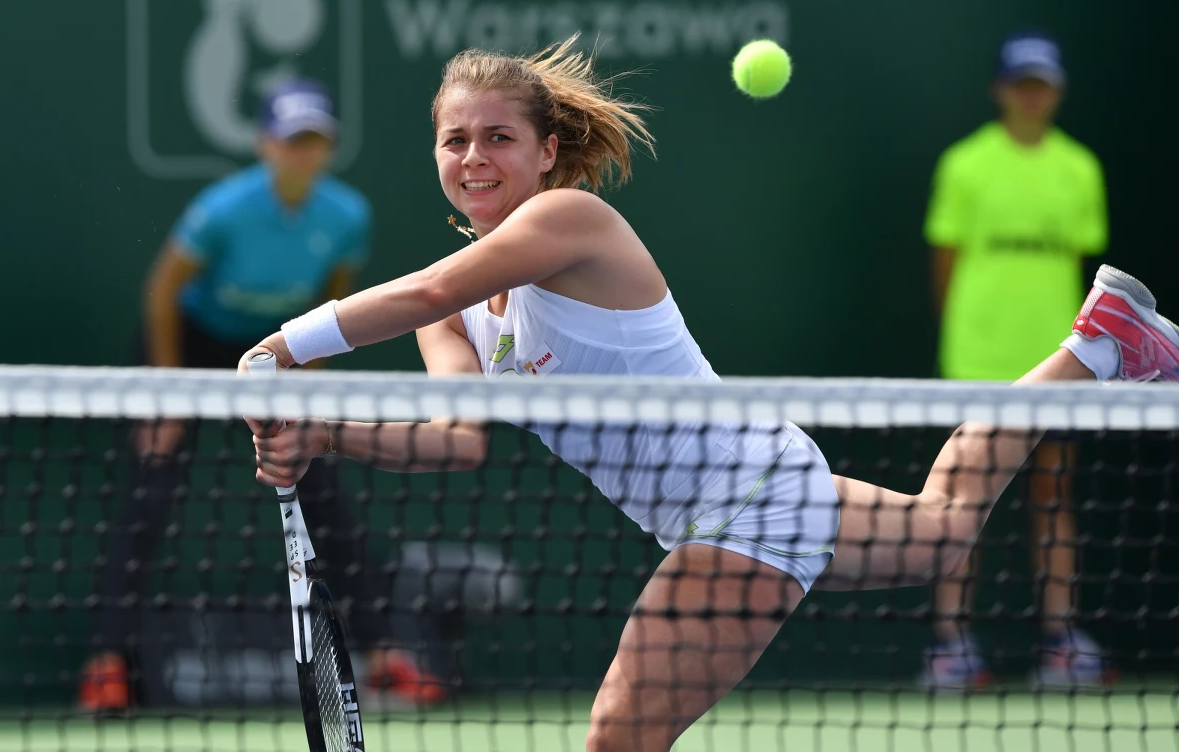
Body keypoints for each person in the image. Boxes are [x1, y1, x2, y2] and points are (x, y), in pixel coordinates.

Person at [239, 36, 1179, 751]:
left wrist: (284, 346)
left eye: (499, 137)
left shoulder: (569, 219)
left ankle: (1097, 346)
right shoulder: (460, 319)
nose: (475, 156)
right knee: (943, 529)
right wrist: (326, 429)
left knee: (616, 735)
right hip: (754, 480)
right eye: (456, 140)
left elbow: (426, 290)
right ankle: (1099, 345)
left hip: (742, 504)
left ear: (545, 150)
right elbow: (460, 437)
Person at [80, 78, 443, 712]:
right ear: (266, 145)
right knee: (149, 494)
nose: (304, 152)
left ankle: (386, 655)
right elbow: (163, 290)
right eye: (292, 139)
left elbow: (331, 303)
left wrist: (305, 379)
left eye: (315, 141)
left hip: (271, 347)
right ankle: (106, 663)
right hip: (190, 346)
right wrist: (165, 392)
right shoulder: (225, 208)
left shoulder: (346, 215)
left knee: (323, 488)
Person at [922, 31, 1113, 689]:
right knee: (960, 500)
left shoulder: (1081, 168)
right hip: (979, 358)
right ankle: (951, 646)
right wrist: (968, 338)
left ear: (1056, 91)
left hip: (1058, 359)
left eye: (1043, 85)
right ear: (1001, 90)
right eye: (1022, 84)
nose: (1033, 96)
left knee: (1052, 492)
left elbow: (1082, 267)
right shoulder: (965, 165)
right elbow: (945, 265)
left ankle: (1060, 641)